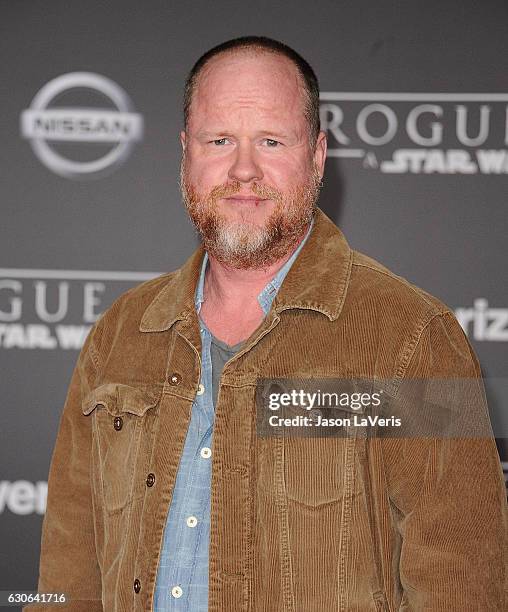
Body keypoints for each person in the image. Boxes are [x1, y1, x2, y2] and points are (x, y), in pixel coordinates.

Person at [26, 36, 507, 612]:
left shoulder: (415, 337)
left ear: (318, 156)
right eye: (219, 140)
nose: (244, 169)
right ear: (186, 153)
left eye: (272, 141)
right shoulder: (120, 334)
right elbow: (64, 574)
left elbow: (464, 583)